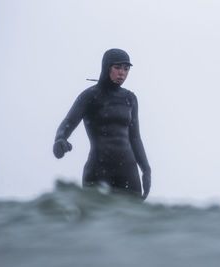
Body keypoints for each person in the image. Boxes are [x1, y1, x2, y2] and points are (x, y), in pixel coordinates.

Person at [53, 49, 151, 199]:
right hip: (98, 171)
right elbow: (69, 121)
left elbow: (135, 138)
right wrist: (60, 139)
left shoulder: (130, 99)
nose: (122, 73)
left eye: (126, 69)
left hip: (128, 172)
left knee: (132, 220)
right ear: (106, 67)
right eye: (117, 67)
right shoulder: (91, 96)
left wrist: (146, 169)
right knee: (95, 220)